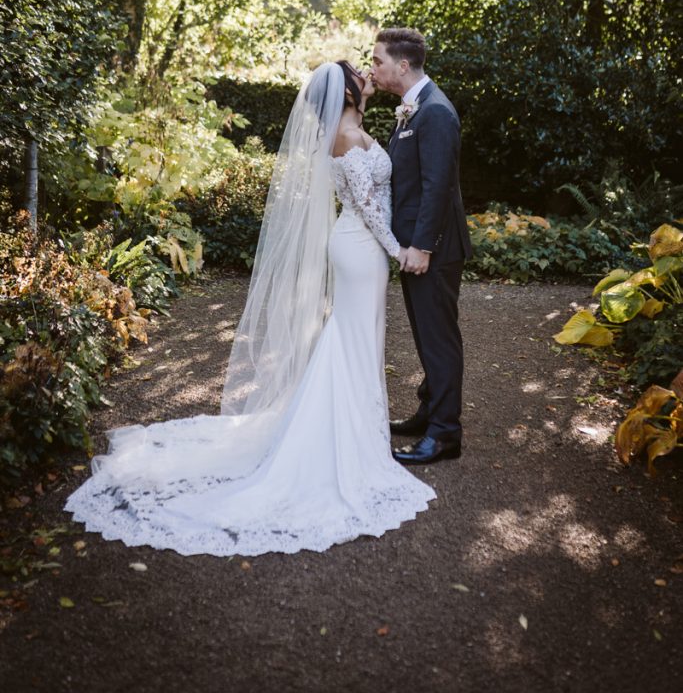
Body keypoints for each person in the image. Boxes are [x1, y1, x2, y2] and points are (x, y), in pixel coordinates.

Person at [65, 61, 434, 556]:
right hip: (362, 247)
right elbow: (368, 208)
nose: (368, 75)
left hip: (364, 248)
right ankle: (344, 447)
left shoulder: (353, 128)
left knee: (357, 337)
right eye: (359, 73)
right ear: (347, 91)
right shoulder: (346, 138)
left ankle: (359, 438)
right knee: (350, 340)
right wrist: (399, 251)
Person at [371, 28, 472, 465]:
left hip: (433, 249)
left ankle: (445, 434)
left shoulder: (436, 113)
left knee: (439, 340)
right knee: (427, 337)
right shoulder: (415, 110)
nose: (373, 68)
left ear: (403, 66)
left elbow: (437, 187)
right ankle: (430, 411)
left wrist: (422, 246)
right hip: (417, 247)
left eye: (378, 61)